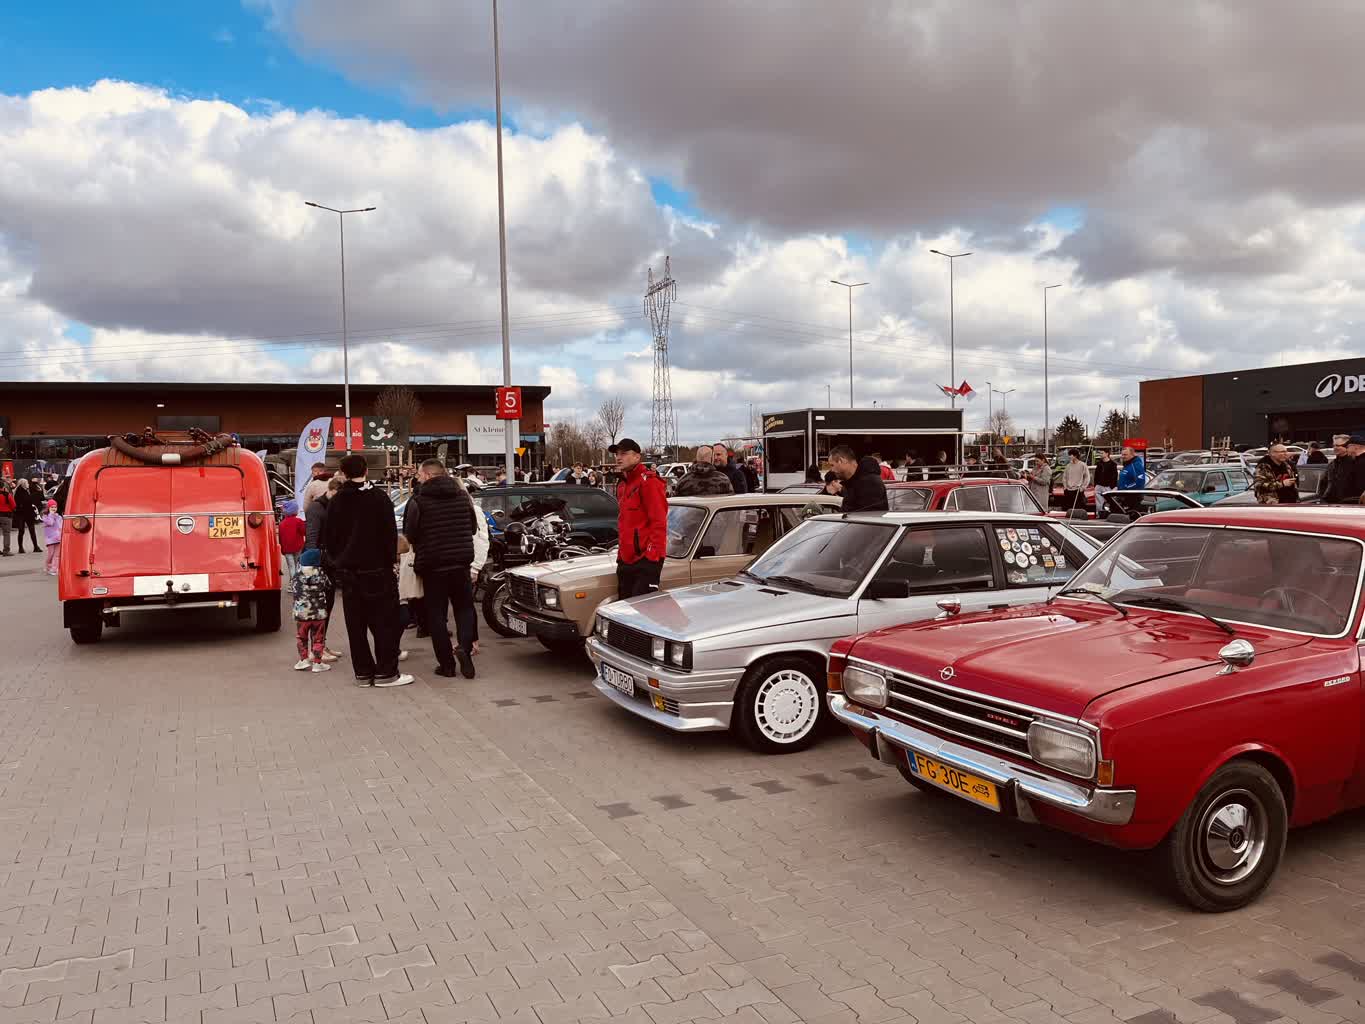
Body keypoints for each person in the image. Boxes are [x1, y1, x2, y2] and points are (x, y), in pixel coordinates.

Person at [322, 453, 412, 687]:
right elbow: (389, 534)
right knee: (385, 624)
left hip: (349, 573)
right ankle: (386, 673)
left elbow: (329, 538)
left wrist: (338, 563)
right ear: (366, 471)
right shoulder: (379, 498)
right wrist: (391, 562)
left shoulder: (337, 501)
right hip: (377, 570)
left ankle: (363, 673)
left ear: (343, 473)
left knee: (356, 627)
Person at [404, 459, 479, 679]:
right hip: (461, 562)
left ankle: (446, 665)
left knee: (436, 615)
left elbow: (411, 534)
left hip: (433, 565)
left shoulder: (418, 501)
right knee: (464, 608)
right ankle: (464, 648)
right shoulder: (462, 496)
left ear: (428, 475)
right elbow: (472, 528)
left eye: (419, 475)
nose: (418, 479)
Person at [611, 438, 668, 598]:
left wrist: (651, 557)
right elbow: (625, 523)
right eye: (617, 454)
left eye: (624, 453)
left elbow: (659, 522)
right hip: (626, 559)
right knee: (623, 608)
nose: (618, 457)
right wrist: (621, 555)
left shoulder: (649, 482)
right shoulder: (623, 485)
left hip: (646, 560)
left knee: (643, 609)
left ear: (637, 456)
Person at [291, 548, 333, 673]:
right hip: (319, 614)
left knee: (301, 638)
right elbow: (328, 586)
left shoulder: (297, 575)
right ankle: (317, 663)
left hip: (302, 615)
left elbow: (294, 590)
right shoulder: (321, 574)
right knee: (318, 639)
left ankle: (303, 660)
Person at [829, 445, 888, 513]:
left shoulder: (868, 483)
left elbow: (867, 515)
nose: (831, 470)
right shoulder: (853, 482)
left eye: (832, 465)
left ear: (841, 460)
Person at [1321, 434, 1355, 502]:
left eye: (1338, 445)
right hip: (1330, 502)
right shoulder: (1332, 464)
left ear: (1347, 446)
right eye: (1334, 445)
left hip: (1349, 503)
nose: (1335, 448)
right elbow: (1324, 482)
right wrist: (1324, 496)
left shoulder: (1355, 463)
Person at [278, 500, 306, 578]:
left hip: (287, 549)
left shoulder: (282, 524)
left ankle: (293, 582)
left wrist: (282, 549)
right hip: (298, 547)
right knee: (297, 565)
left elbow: (280, 538)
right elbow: (304, 532)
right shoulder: (299, 521)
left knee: (291, 567)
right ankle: (298, 581)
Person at [12, 479, 40, 554]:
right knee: (24, 531)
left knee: (25, 531)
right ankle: (25, 547)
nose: (28, 484)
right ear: (23, 484)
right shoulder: (20, 492)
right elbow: (25, 501)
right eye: (27, 483)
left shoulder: (25, 491)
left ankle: (34, 546)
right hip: (23, 514)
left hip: (25, 514)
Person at [1093, 450, 1119, 514]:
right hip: (1099, 486)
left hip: (1108, 487)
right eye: (1100, 453)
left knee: (1109, 503)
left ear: (1107, 454)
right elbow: (1096, 475)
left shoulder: (1113, 464)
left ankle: (1109, 514)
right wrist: (1096, 485)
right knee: (1099, 504)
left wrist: (1112, 486)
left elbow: (1114, 476)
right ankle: (1099, 514)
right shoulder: (1099, 464)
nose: (1100, 454)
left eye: (1102, 453)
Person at [41, 500, 62, 575]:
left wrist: (61, 534)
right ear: (48, 508)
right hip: (50, 539)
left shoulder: (59, 517)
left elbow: (61, 526)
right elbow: (50, 523)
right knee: (51, 554)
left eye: (55, 507)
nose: (54, 508)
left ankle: (54, 569)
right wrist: (51, 515)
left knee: (57, 555)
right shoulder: (45, 517)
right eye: (52, 507)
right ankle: (48, 566)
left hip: (58, 538)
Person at [0, 482, 14, 557]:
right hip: (6, 516)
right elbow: (13, 505)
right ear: (3, 487)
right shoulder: (6, 495)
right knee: (6, 533)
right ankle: (6, 550)